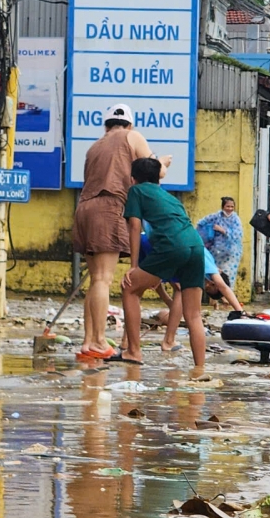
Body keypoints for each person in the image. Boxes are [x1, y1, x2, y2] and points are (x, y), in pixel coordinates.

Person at [70, 103, 153, 360]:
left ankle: (88, 342)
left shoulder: (95, 146)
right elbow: (153, 170)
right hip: (108, 207)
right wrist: (163, 163)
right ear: (129, 124)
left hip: (84, 208)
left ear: (106, 126)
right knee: (103, 279)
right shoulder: (132, 136)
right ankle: (99, 341)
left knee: (96, 279)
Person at [119, 156, 209, 369]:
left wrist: (133, 266)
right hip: (196, 246)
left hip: (172, 245)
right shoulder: (168, 196)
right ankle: (200, 369)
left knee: (129, 288)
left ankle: (133, 351)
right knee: (194, 314)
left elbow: (134, 226)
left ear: (133, 179)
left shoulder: (136, 191)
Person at [195, 197, 243, 286]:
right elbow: (201, 222)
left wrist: (222, 230)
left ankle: (227, 293)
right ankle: (215, 294)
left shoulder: (235, 219)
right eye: (227, 206)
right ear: (223, 206)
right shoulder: (216, 217)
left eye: (232, 207)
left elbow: (237, 235)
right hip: (216, 252)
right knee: (215, 274)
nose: (230, 209)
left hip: (231, 253)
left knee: (228, 275)